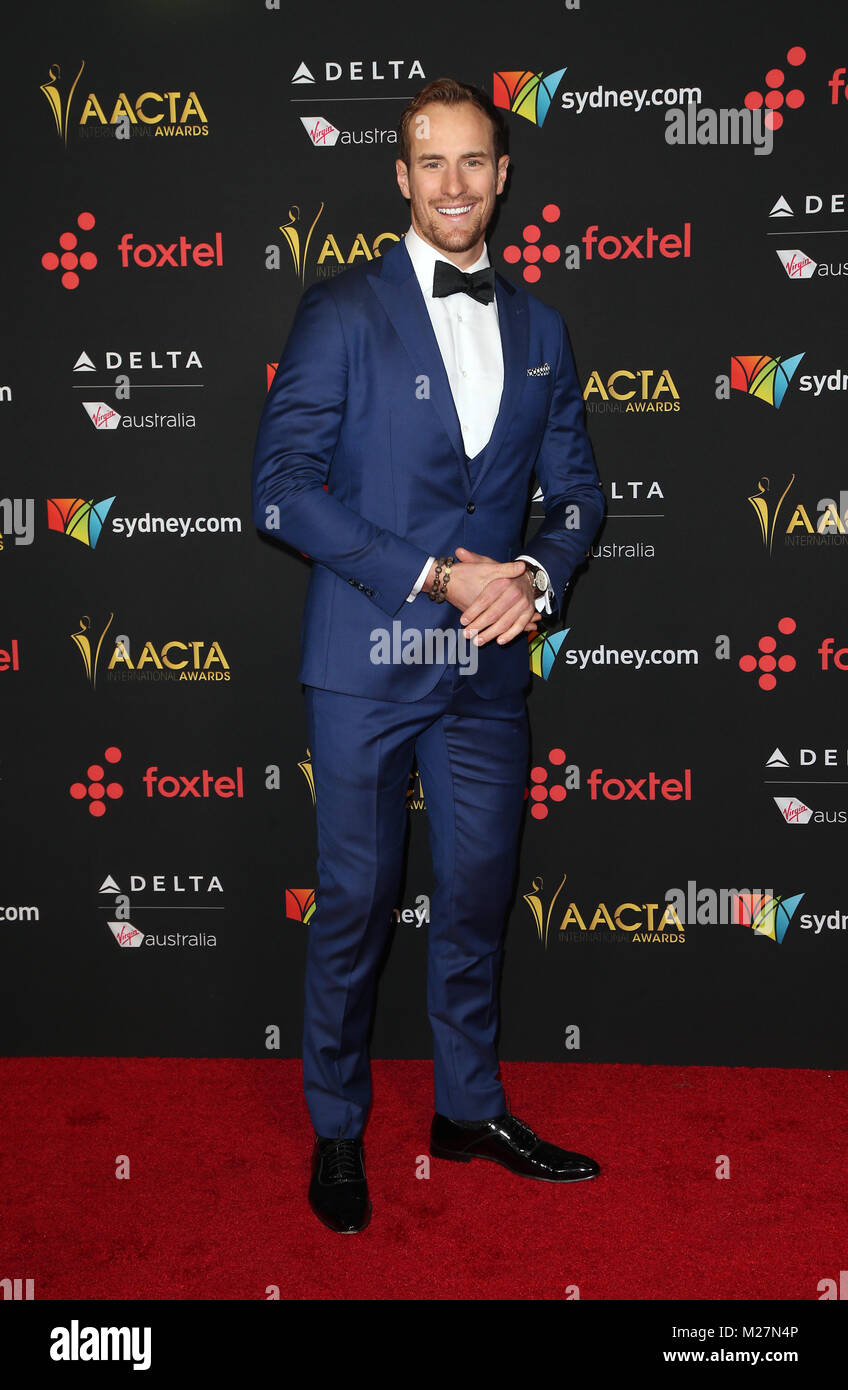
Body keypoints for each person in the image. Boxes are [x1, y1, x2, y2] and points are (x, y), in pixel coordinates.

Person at [252, 77, 605, 1233]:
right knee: (354, 900)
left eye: (474, 163)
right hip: (365, 660)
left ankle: (466, 1108)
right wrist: (434, 574)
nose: (454, 185)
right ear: (400, 178)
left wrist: (535, 578)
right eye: (431, 164)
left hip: (486, 674)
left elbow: (575, 494)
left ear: (503, 176)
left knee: (474, 897)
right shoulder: (341, 310)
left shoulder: (542, 326)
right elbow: (282, 493)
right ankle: (338, 1127)